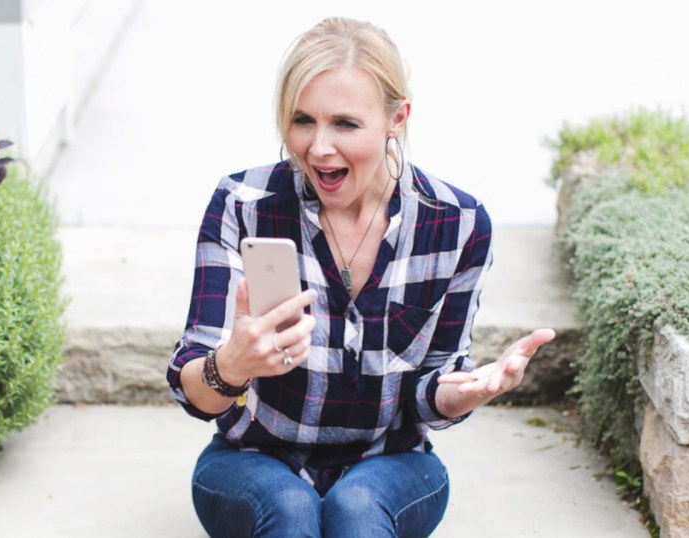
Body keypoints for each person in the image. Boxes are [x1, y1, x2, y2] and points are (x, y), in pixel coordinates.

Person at [167, 16, 556, 537]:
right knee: (291, 510)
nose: (319, 148)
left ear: (397, 119)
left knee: (355, 510)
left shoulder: (458, 224)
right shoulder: (242, 204)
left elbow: (429, 393)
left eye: (345, 124)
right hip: (252, 457)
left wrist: (464, 391)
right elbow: (196, 392)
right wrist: (231, 365)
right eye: (302, 120)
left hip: (392, 463)